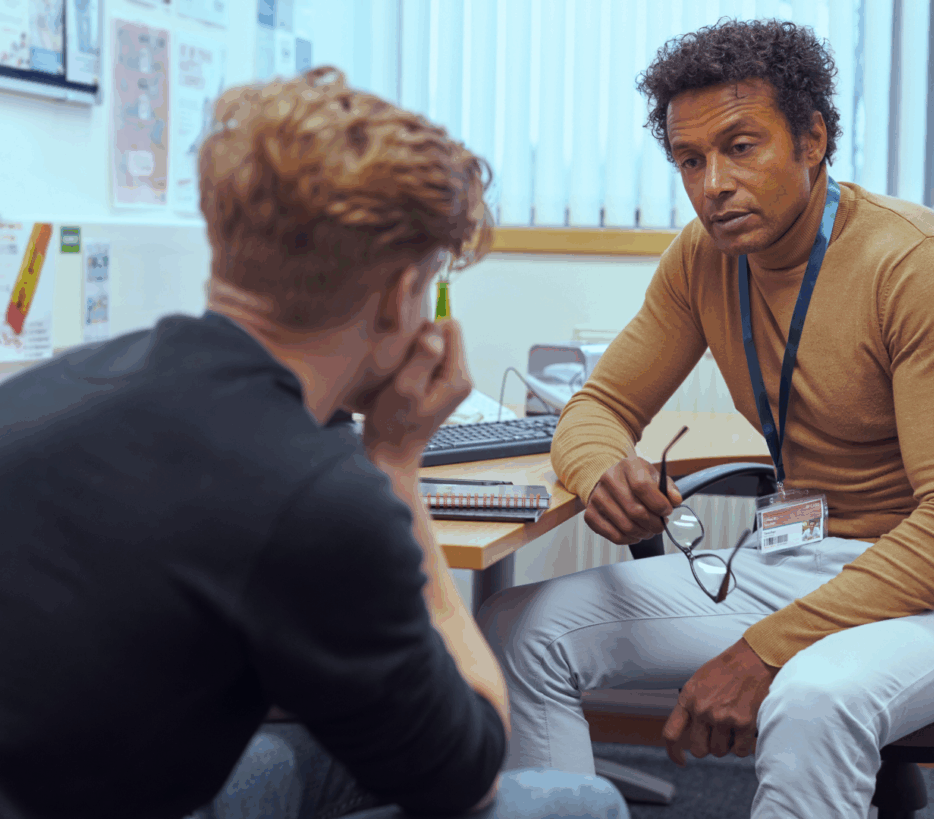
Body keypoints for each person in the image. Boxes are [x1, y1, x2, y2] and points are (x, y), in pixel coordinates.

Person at [0, 67, 628, 819]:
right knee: (572, 800)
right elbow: (470, 766)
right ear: (402, 294)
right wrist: (395, 464)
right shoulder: (319, 502)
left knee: (334, 750)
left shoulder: (55, 386)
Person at [475, 18, 934, 819]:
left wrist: (761, 652)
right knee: (526, 630)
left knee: (811, 694)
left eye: (741, 147)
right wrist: (603, 471)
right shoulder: (703, 257)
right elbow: (598, 406)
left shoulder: (914, 262)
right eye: (689, 161)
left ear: (813, 140)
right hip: (810, 554)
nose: (712, 185)